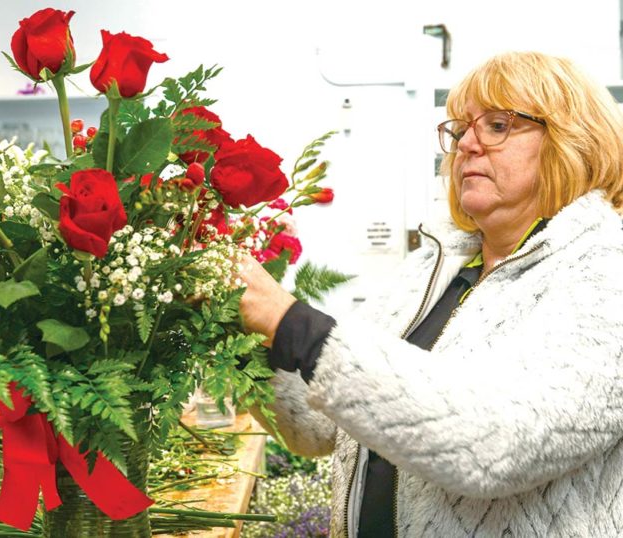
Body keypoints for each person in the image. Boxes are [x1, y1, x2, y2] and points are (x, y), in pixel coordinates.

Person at [238, 50, 623, 537]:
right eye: (461, 129)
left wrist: (293, 324)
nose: (467, 145)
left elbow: (497, 445)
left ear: (573, 141)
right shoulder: (435, 267)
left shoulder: (605, 271)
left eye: (499, 126)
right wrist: (241, 329)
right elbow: (320, 429)